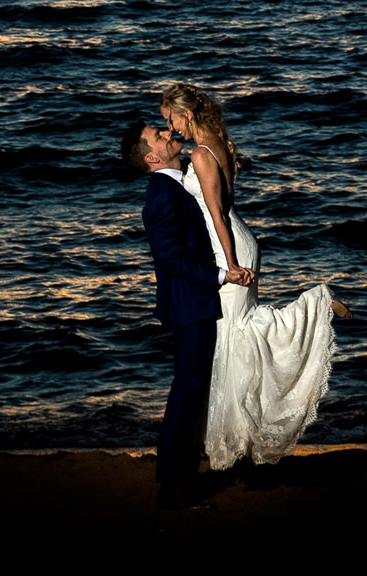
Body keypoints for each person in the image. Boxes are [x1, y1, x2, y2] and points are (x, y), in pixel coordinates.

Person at [158, 82, 347, 471]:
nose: (171, 127)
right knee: (231, 337)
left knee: (237, 333)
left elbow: (216, 214)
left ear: (186, 114)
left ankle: (316, 306)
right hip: (237, 241)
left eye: (171, 119)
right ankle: (226, 442)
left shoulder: (201, 152)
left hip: (229, 247)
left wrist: (230, 267)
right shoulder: (218, 143)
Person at [121, 122, 255, 511]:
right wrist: (222, 275)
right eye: (157, 137)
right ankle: (172, 487)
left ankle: (178, 478)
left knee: (191, 389)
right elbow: (172, 260)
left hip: (195, 301)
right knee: (187, 390)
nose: (166, 134)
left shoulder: (176, 184)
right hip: (189, 303)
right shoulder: (160, 195)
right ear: (151, 157)